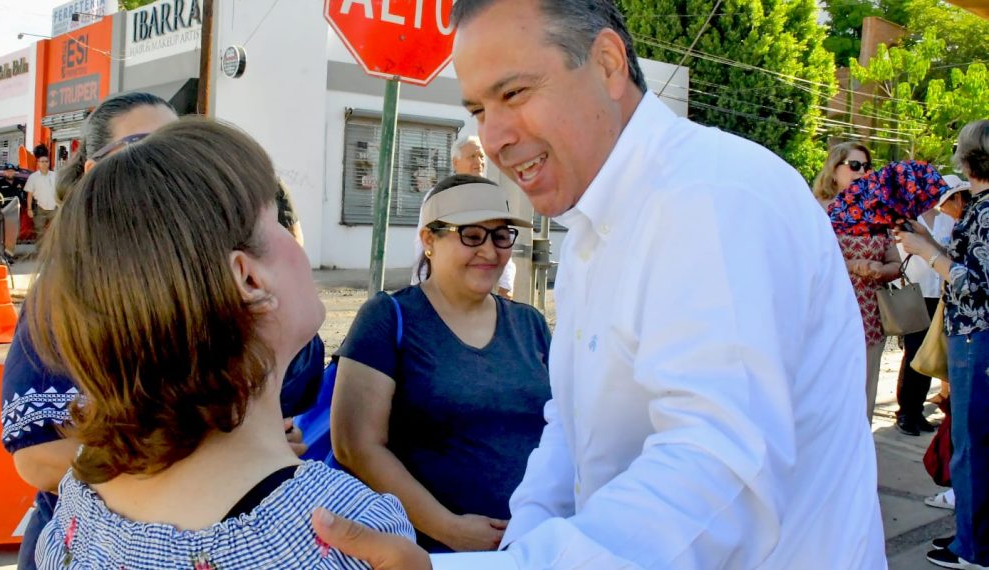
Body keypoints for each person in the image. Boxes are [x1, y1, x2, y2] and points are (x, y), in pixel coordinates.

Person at [310, 0, 886, 567]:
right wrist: (523, 537)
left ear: (608, 64)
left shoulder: (711, 197)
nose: (495, 137)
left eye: (513, 94)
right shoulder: (591, 233)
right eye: (480, 110)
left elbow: (719, 475)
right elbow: (572, 426)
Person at [24, 118, 414, 569]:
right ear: (247, 278)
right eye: (279, 218)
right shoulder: (351, 535)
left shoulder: (80, 504)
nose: (296, 237)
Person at [0, 92, 321, 570]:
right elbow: (36, 455)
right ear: (96, 174)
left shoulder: (226, 288)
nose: (168, 163)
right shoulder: (66, 296)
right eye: (143, 145)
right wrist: (209, 462)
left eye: (175, 143)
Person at [333, 174, 551, 553]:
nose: (490, 250)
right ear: (429, 240)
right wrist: (448, 528)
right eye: (471, 235)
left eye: (501, 236)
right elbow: (355, 445)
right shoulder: (388, 318)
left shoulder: (529, 323)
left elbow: (564, 428)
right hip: (431, 553)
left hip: (534, 546)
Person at [897, 119, 989, 570]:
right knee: (972, 444)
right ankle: (971, 538)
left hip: (978, 337)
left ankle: (974, 549)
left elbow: (976, 284)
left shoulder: (987, 210)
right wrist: (926, 239)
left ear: (970, 157)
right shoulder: (981, 208)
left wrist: (927, 251)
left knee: (972, 446)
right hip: (973, 338)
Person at [813, 142, 903, 422]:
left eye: (866, 166)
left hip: (869, 316)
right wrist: (853, 266)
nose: (862, 171)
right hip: (827, 315)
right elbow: (808, 260)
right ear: (834, 168)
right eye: (854, 165)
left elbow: (896, 265)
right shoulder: (816, 210)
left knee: (864, 394)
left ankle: (859, 459)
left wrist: (879, 270)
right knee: (826, 394)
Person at [893, 174, 967, 436]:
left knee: (930, 352)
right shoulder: (908, 220)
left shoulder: (947, 219)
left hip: (941, 294)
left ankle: (917, 411)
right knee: (913, 352)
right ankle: (906, 412)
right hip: (916, 293)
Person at [411, 136, 517, 299]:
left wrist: (506, 284)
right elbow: (423, 243)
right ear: (455, 162)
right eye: (472, 156)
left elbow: (502, 238)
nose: (479, 161)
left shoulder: (492, 195)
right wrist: (422, 282)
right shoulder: (439, 196)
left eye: (481, 156)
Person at [24, 155, 57, 241]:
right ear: (38, 163)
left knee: (56, 232)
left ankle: (53, 252)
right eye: (42, 162)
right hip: (40, 209)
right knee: (39, 233)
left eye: (46, 161)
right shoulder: (33, 177)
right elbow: (29, 195)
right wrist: (29, 209)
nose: (45, 163)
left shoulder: (55, 175)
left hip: (54, 209)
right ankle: (40, 252)